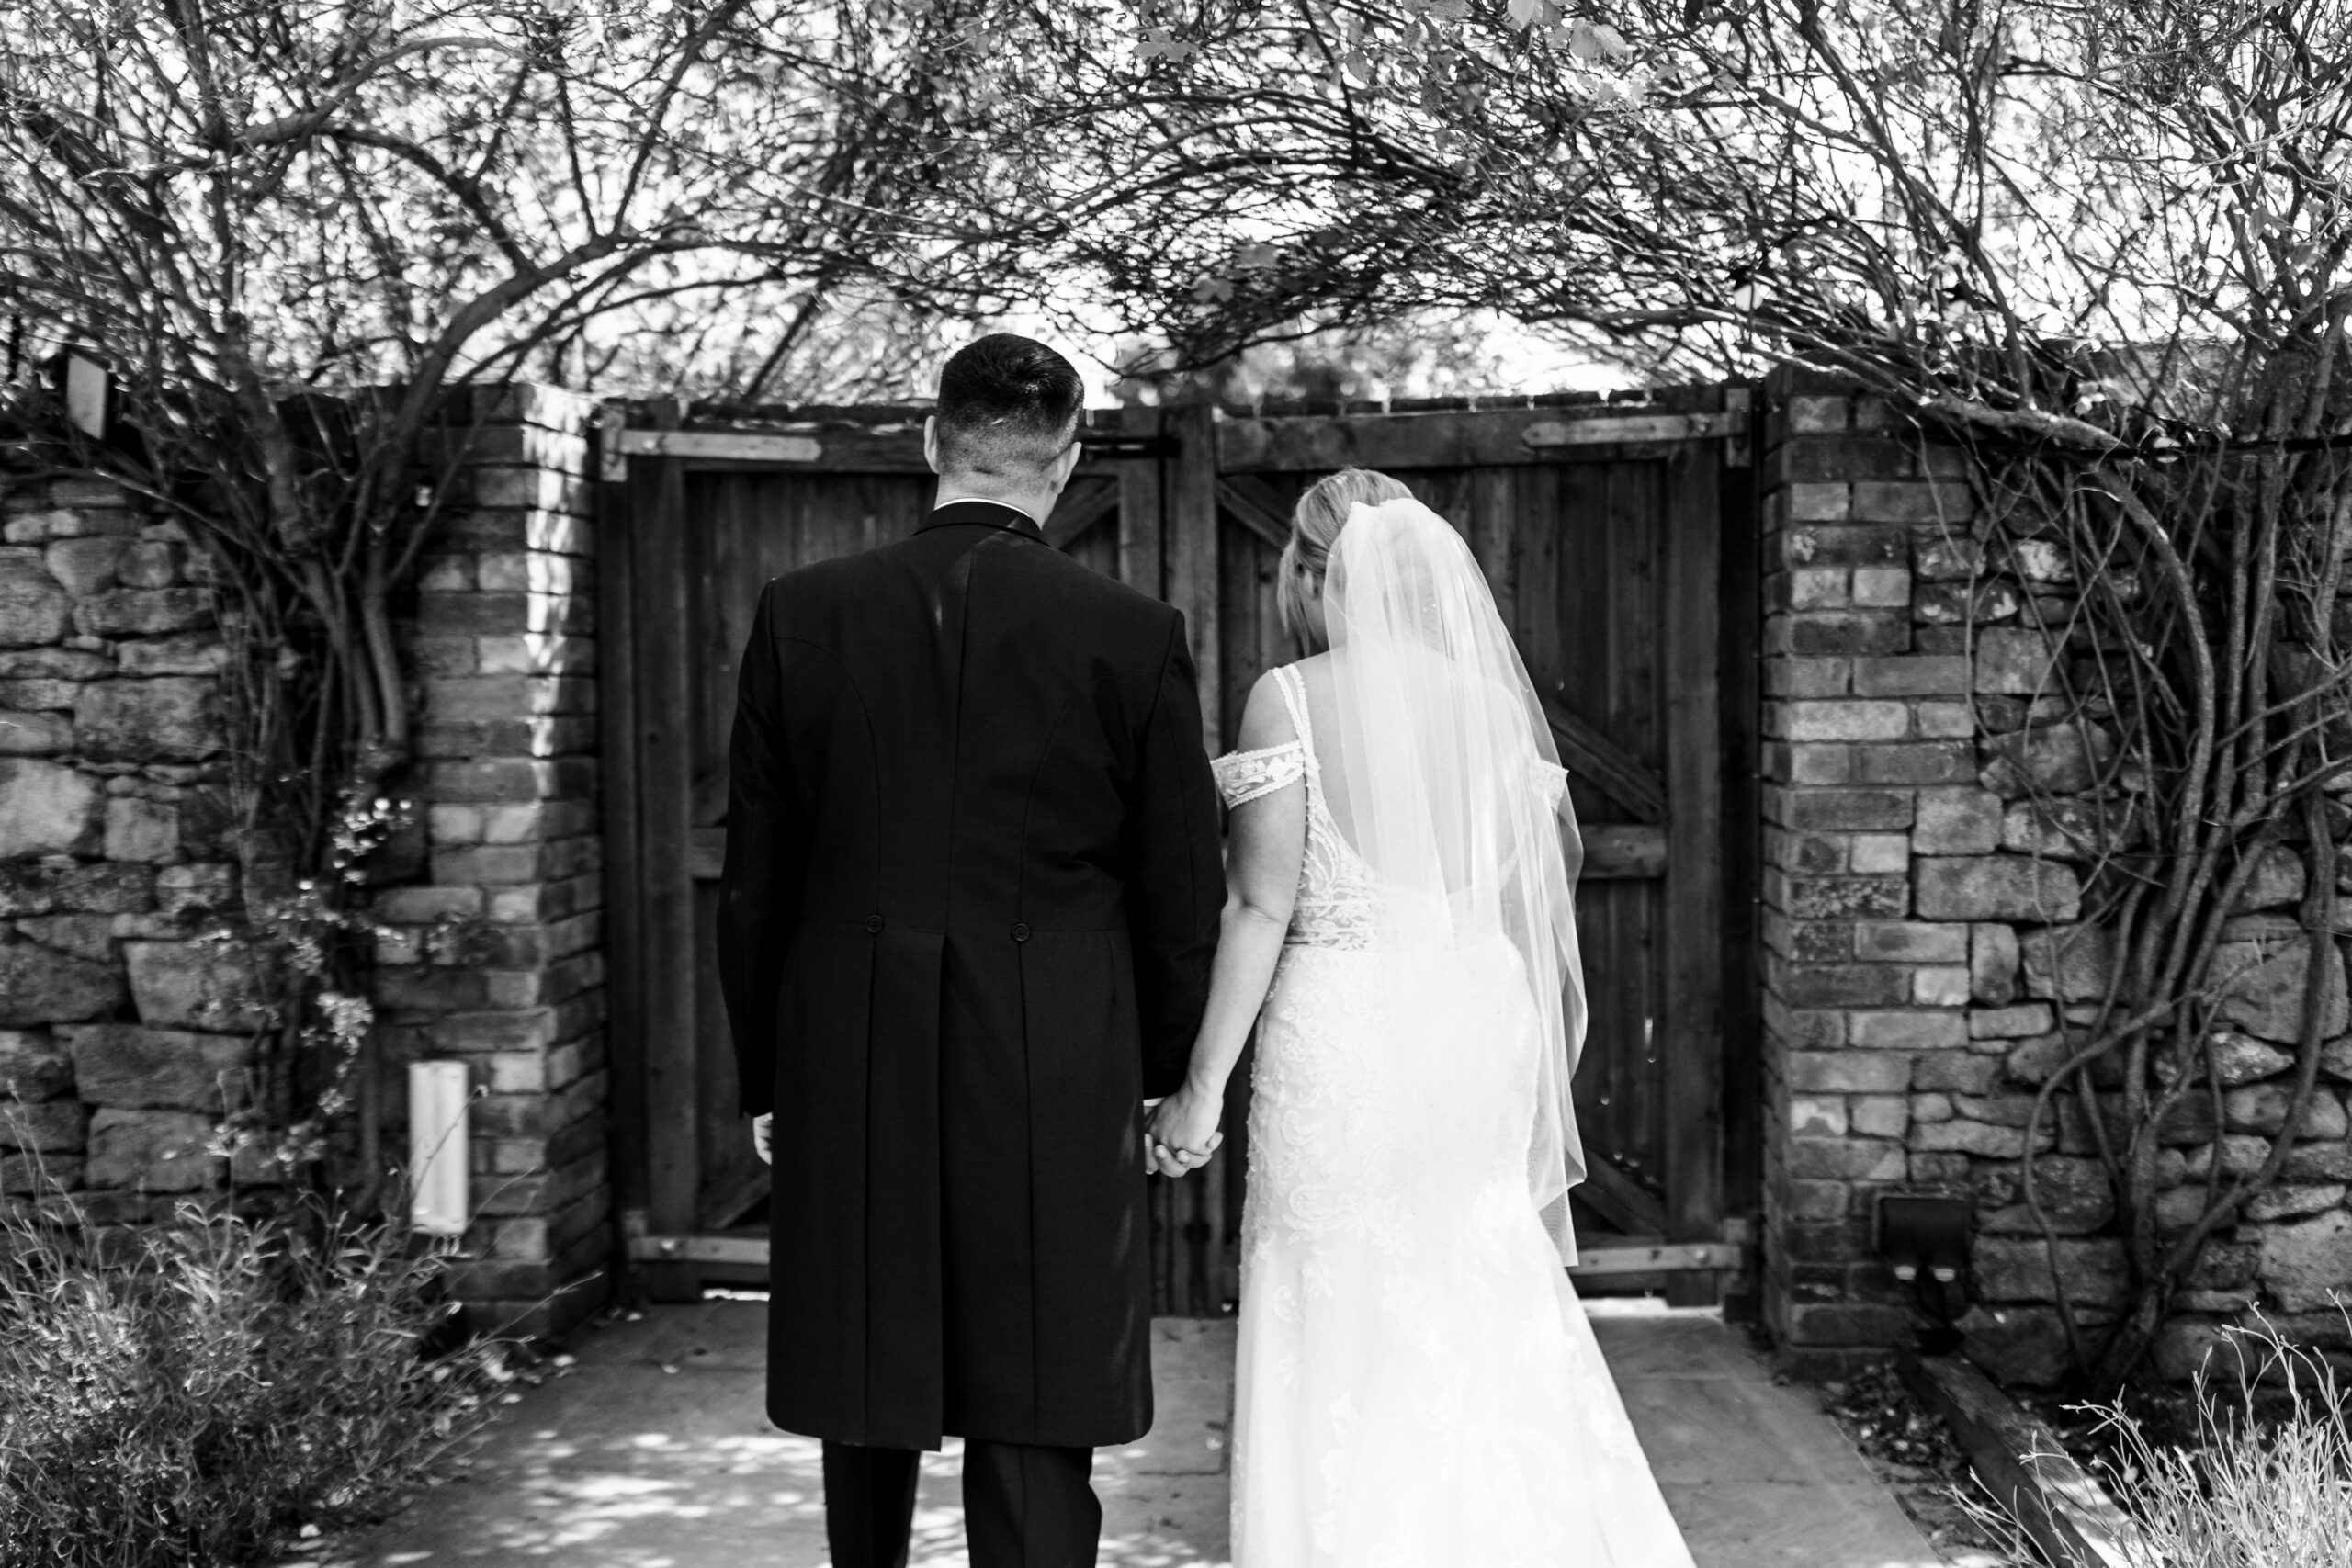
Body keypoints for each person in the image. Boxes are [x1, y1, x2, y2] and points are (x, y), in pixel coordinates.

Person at [716, 333, 1227, 1568]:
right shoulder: (1131, 632)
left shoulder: (803, 613)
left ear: (932, 439)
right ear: (1068, 458)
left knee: (867, 1355)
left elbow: (756, 879)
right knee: (1042, 1365)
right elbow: (1178, 885)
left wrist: (766, 1074)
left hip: (847, 1035)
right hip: (1059, 1046)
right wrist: (1165, 1066)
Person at [1148, 469, 1698, 1566]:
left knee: (1337, 1284)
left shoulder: (1288, 697)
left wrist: (1197, 1087)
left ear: (1313, 570)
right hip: (1469, 1013)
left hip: (1344, 1021)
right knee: (1471, 1269)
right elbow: (1517, 900)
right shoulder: (1493, 707)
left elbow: (1259, 904)